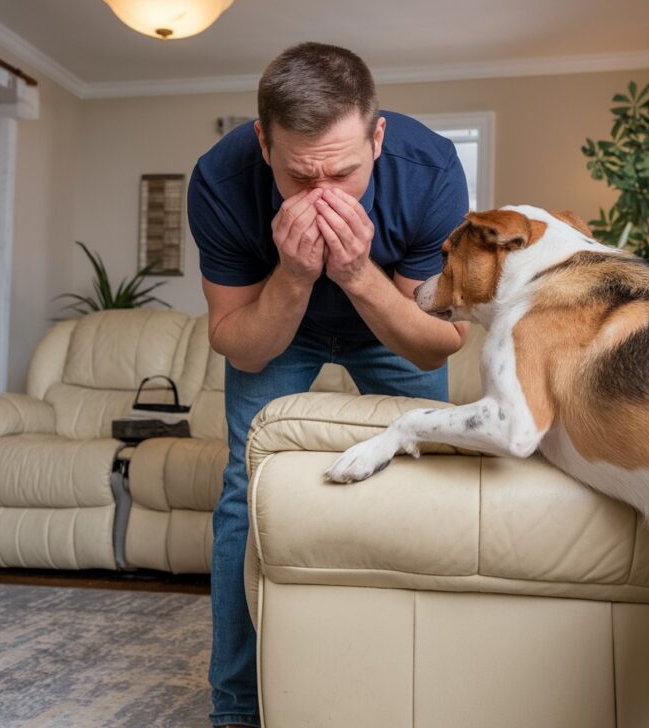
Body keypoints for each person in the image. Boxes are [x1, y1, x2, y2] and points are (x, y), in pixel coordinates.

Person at [187, 41, 469, 728]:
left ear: (377, 138)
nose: (320, 198)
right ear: (263, 142)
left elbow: (438, 341)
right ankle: (236, 706)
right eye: (297, 176)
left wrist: (354, 272)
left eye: (342, 174)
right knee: (242, 493)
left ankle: (420, 681)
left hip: (389, 315)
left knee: (431, 477)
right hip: (277, 322)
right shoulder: (220, 182)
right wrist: (293, 276)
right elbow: (238, 345)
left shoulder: (430, 171)